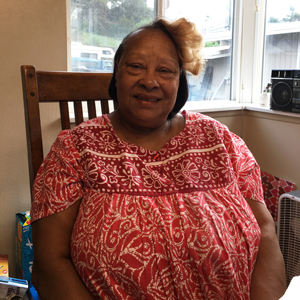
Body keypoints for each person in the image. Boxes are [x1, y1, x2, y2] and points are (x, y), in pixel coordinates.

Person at [30, 18, 286, 300]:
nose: (150, 81)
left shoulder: (220, 140)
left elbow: (265, 231)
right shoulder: (74, 149)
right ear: (117, 74)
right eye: (136, 66)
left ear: (180, 82)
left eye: (165, 70)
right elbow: (49, 264)